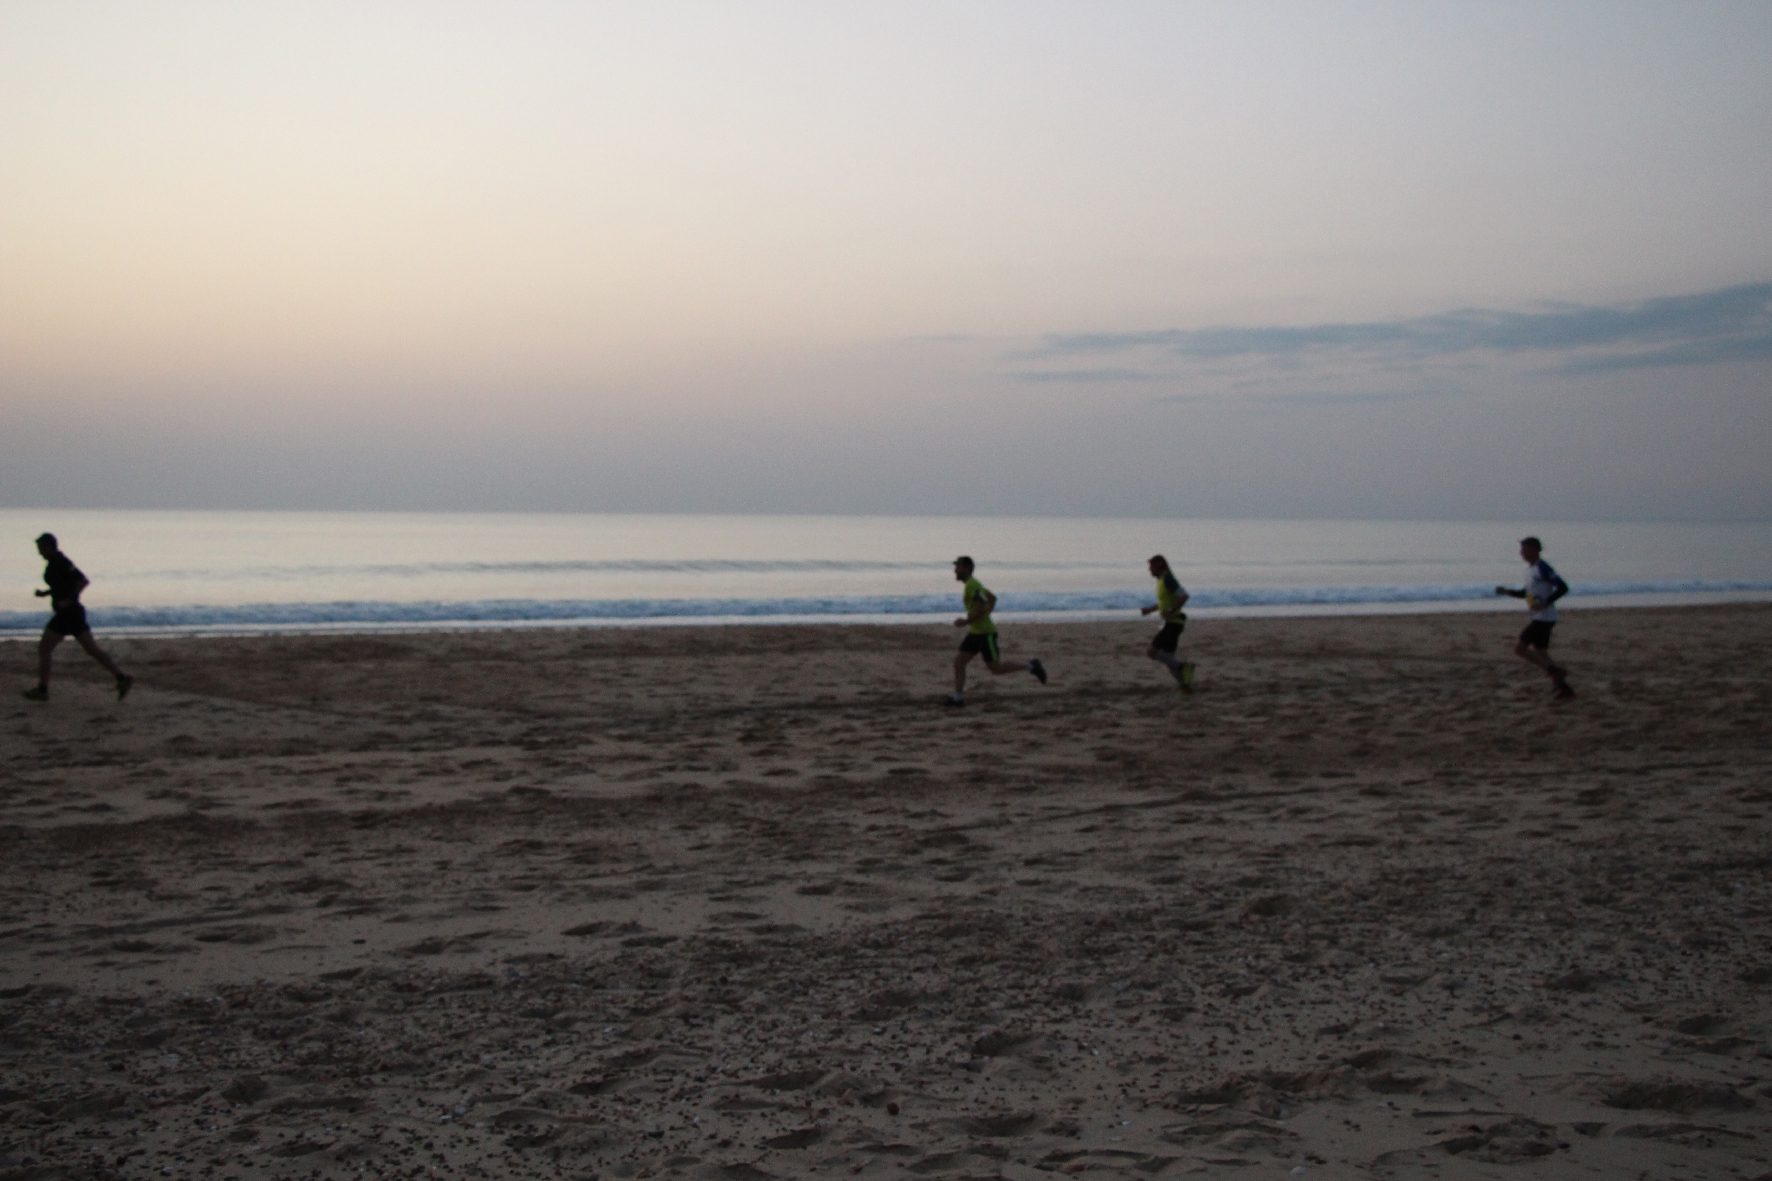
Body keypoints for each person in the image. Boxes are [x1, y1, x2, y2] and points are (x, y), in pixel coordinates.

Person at [21, 533, 133, 702]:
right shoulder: (54, 563)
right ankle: (121, 678)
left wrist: (70, 599)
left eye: (41, 549)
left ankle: (42, 690)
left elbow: (82, 581)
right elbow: (61, 585)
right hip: (72, 614)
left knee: (44, 648)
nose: (39, 553)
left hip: (69, 614)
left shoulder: (62, 562)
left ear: (49, 547)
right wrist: (46, 593)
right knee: (92, 650)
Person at [945, 556, 1045, 707]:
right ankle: (958, 698)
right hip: (975, 632)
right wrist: (985, 613)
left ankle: (1031, 666)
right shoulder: (972, 585)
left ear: (967, 569)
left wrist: (967, 621)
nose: (955, 570)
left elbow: (983, 603)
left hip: (986, 634)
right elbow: (992, 598)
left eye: (958, 567)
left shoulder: (973, 585)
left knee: (996, 669)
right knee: (959, 662)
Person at [1495, 535, 1574, 700]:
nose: (1521, 554)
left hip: (1544, 618)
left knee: (1520, 649)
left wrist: (1545, 603)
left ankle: (1555, 672)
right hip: (1539, 617)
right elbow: (1526, 593)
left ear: (1534, 550)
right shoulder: (1530, 570)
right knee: (1541, 651)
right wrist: (1507, 591)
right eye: (1521, 550)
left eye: (1524, 550)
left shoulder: (1543, 568)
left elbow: (1562, 587)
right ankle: (1562, 687)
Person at [1139, 554, 1195, 692]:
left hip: (1174, 623)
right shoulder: (1161, 581)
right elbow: (1164, 602)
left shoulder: (1168, 579)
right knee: (1168, 659)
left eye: (1151, 567)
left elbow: (1184, 596)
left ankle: (1183, 666)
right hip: (1169, 623)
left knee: (1152, 652)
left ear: (1158, 566)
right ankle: (1185, 687)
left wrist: (1171, 610)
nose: (1149, 570)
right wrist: (1150, 610)